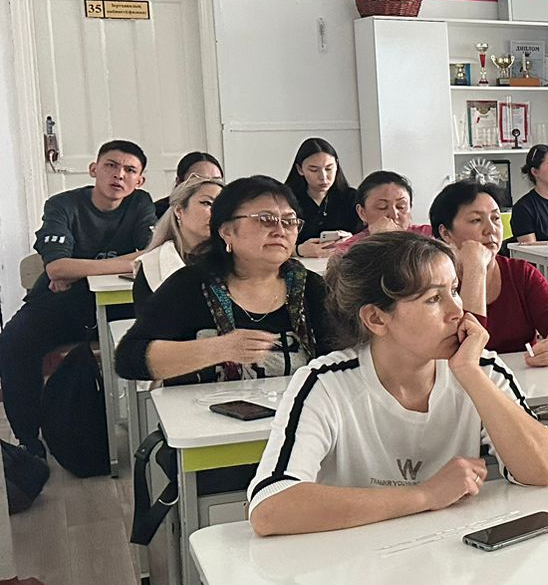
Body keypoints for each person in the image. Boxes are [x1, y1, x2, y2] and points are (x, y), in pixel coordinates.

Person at [247, 231, 548, 585]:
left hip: (455, 579)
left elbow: (542, 469)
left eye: (455, 290)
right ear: (376, 318)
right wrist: (424, 496)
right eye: (434, 299)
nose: (458, 311)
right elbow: (271, 507)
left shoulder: (479, 368)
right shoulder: (326, 383)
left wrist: (470, 374)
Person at [0, 140, 156, 461]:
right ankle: (29, 442)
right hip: (62, 304)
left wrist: (78, 269)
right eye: (111, 165)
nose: (119, 175)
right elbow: (56, 268)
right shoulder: (62, 205)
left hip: (117, 304)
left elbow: (153, 256)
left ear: (139, 181)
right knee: (13, 340)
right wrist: (128, 260)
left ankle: (153, 430)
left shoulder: (140, 203)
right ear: (94, 169)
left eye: (129, 170)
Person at [116, 176, 334, 386]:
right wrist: (217, 349)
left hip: (294, 408)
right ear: (227, 231)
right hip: (200, 410)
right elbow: (128, 359)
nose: (280, 231)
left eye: (289, 222)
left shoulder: (310, 287)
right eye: (265, 219)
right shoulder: (189, 286)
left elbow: (339, 360)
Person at [431, 181, 548, 366]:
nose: (491, 229)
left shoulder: (520, 273)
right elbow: (465, 349)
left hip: (520, 377)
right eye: (476, 220)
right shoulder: (432, 281)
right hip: (460, 378)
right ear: (446, 233)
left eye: (496, 218)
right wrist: (475, 268)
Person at [133, 175, 223, 307]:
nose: (216, 212)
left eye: (221, 206)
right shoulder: (152, 264)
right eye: (207, 203)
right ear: (179, 210)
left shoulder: (236, 260)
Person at [324, 171, 432, 256]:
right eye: (382, 207)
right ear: (362, 213)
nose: (394, 215)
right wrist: (380, 241)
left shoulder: (429, 236)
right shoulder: (347, 251)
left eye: (401, 206)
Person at [285, 138, 360, 259]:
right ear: (300, 169)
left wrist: (353, 240)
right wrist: (298, 250)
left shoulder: (351, 197)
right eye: (313, 170)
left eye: (329, 168)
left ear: (337, 165)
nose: (323, 177)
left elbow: (369, 236)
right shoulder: (286, 200)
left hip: (343, 264)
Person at [151, 149, 223, 215]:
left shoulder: (226, 209)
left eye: (216, 181)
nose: (210, 186)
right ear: (179, 182)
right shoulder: (157, 212)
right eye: (200, 180)